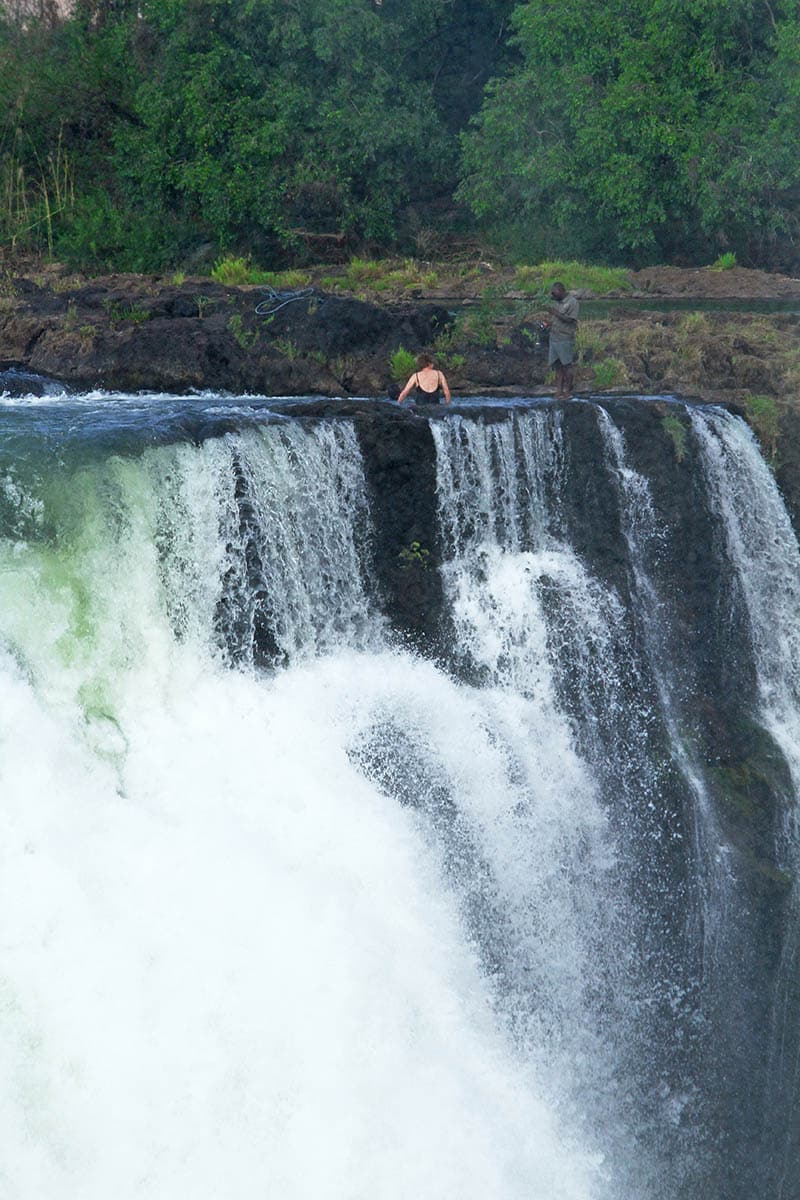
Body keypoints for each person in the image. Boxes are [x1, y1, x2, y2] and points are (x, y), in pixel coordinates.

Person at [542, 282, 579, 399]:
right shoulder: (557, 303)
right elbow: (556, 320)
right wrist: (548, 323)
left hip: (565, 338)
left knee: (567, 365)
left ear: (561, 291)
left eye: (554, 293)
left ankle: (567, 392)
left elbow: (571, 320)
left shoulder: (572, 302)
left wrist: (555, 313)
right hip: (554, 338)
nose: (552, 295)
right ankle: (559, 391)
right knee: (557, 366)